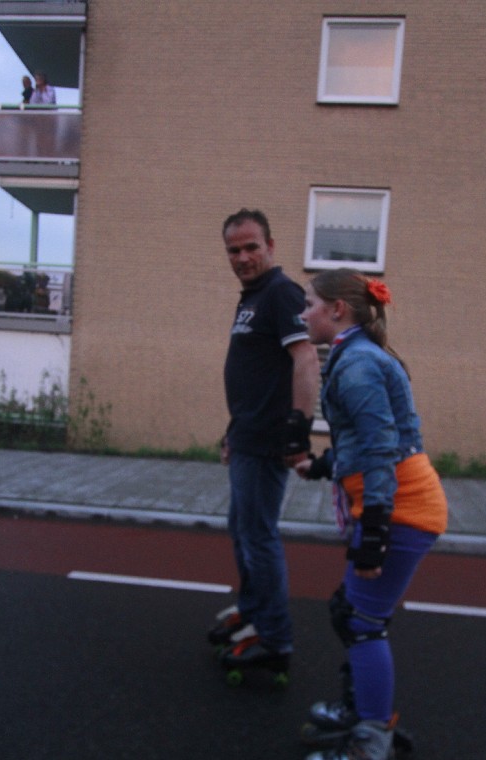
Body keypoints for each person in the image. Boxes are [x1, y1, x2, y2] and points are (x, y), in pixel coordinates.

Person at [294, 268, 448, 760]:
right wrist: (322, 466)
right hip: (396, 502)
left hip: (401, 508)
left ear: (337, 309)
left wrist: (375, 532)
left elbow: (381, 449)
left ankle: (371, 740)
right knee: (353, 612)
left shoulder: (358, 363)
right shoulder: (356, 354)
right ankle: (361, 709)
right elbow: (366, 440)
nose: (303, 314)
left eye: (309, 304)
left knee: (361, 621)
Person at [210, 208, 319, 676]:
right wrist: (233, 432)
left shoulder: (280, 292)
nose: (242, 257)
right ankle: (253, 611)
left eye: (251, 247)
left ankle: (275, 640)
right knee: (243, 530)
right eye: (234, 250)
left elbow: (306, 359)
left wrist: (298, 430)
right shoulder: (253, 297)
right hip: (247, 438)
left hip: (268, 443)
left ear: (270, 247)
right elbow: (255, 374)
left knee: (259, 537)